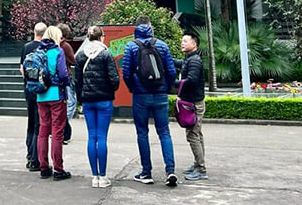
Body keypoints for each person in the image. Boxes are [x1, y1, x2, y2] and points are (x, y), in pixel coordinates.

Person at [121, 15, 178, 186]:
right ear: (150, 27)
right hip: (160, 94)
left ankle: (146, 172)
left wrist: (133, 88)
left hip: (140, 95)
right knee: (164, 132)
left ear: (136, 28)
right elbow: (171, 71)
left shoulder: (131, 46)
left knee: (142, 132)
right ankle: (170, 171)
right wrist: (166, 87)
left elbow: (126, 73)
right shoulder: (162, 45)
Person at [75, 25, 120, 189]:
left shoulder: (80, 55)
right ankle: (103, 176)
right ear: (102, 37)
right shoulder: (106, 54)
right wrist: (109, 90)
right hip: (104, 100)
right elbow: (114, 80)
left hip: (88, 101)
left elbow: (77, 82)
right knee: (102, 138)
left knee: (91, 137)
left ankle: (94, 176)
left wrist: (82, 97)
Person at [35, 25, 71, 181]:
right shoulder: (58, 51)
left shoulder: (38, 51)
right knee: (57, 132)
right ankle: (58, 169)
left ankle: (43, 167)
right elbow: (63, 74)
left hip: (41, 95)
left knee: (43, 131)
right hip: (56, 95)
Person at [175, 31, 207, 181]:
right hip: (192, 102)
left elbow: (192, 80)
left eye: (185, 41)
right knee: (197, 135)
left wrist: (174, 84)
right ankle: (197, 164)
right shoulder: (190, 59)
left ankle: (201, 170)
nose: (182, 43)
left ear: (194, 44)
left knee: (193, 135)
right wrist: (167, 59)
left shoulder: (194, 61)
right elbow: (182, 64)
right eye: (182, 41)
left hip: (194, 104)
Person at [20, 22, 47, 172]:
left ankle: (29, 155)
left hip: (28, 89)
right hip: (41, 91)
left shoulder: (26, 47)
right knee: (39, 123)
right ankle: (37, 158)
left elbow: (22, 69)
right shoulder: (44, 49)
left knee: (31, 122)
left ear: (34, 32)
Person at [58, 23, 77, 144]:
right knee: (71, 102)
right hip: (66, 76)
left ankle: (59, 126)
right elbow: (73, 60)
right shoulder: (65, 46)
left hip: (56, 78)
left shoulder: (52, 45)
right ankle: (64, 124)